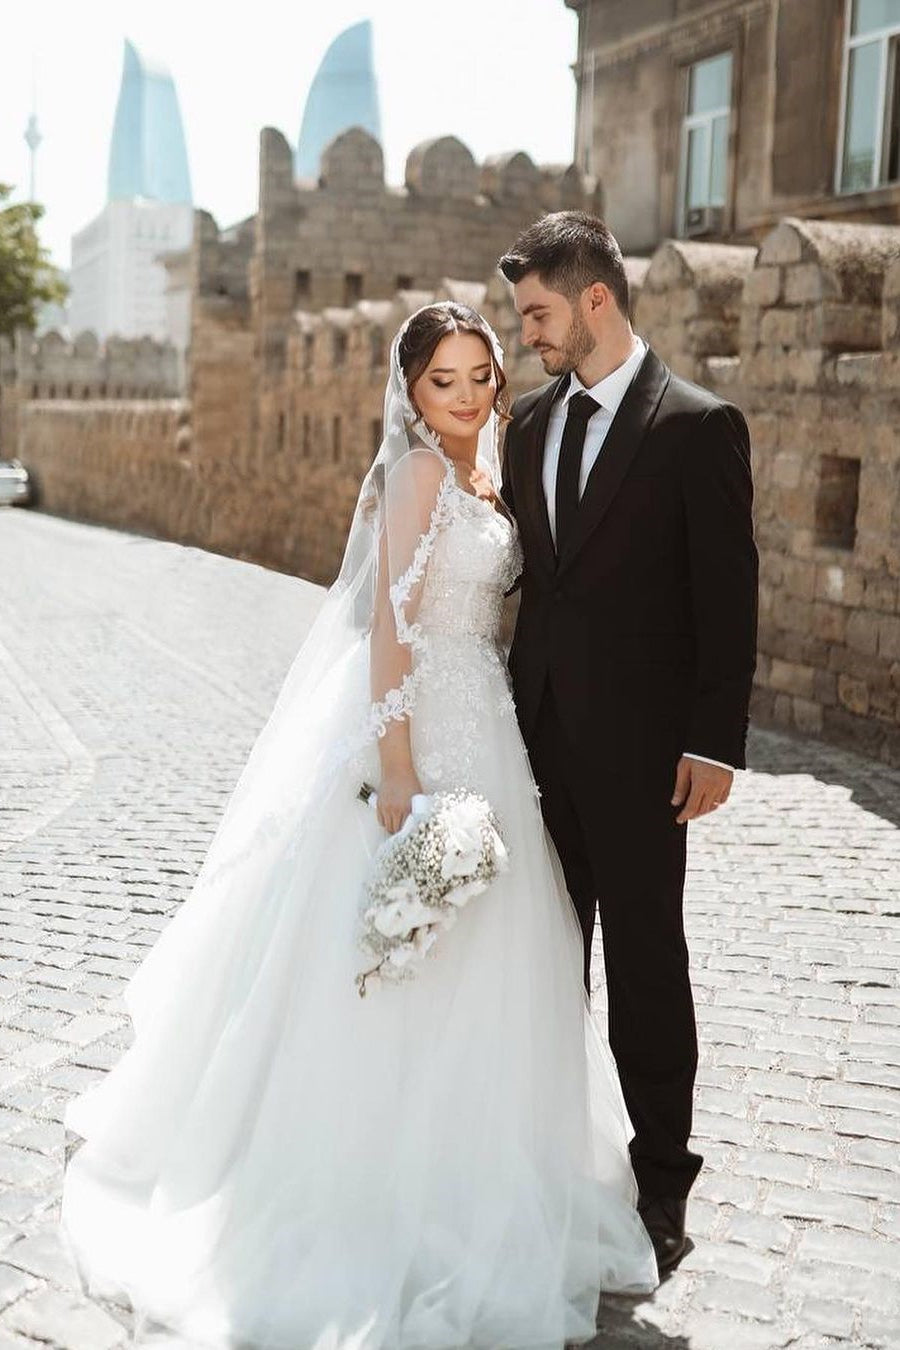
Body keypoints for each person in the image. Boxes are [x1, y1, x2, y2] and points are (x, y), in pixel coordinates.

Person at [59, 301, 658, 1350]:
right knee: (389, 952)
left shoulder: (483, 468)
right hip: (425, 720)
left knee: (495, 955)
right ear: (409, 391)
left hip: (486, 718)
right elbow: (388, 621)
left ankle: (476, 1172)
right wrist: (397, 769)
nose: (469, 398)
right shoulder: (420, 474)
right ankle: (363, 1183)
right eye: (445, 382)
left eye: (482, 376)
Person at [497, 212, 759, 1276]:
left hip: (651, 765)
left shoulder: (698, 426)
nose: (529, 336)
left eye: (539, 314)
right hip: (534, 750)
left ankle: (660, 1185)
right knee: (538, 965)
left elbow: (729, 601)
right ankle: (544, 1158)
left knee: (648, 966)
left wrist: (715, 743)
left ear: (596, 298)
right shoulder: (524, 426)